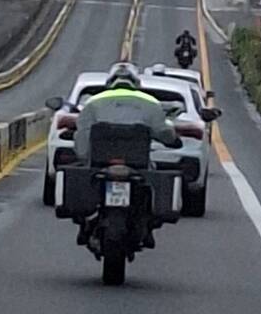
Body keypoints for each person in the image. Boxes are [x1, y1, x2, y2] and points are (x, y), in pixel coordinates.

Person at [74, 63, 181, 249]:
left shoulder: (93, 103)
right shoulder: (150, 103)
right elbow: (164, 131)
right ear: (136, 83)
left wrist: (84, 158)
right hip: (137, 165)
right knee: (151, 182)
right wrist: (173, 141)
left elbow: (82, 136)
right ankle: (147, 228)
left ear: (110, 83)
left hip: (100, 163)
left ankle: (86, 225)